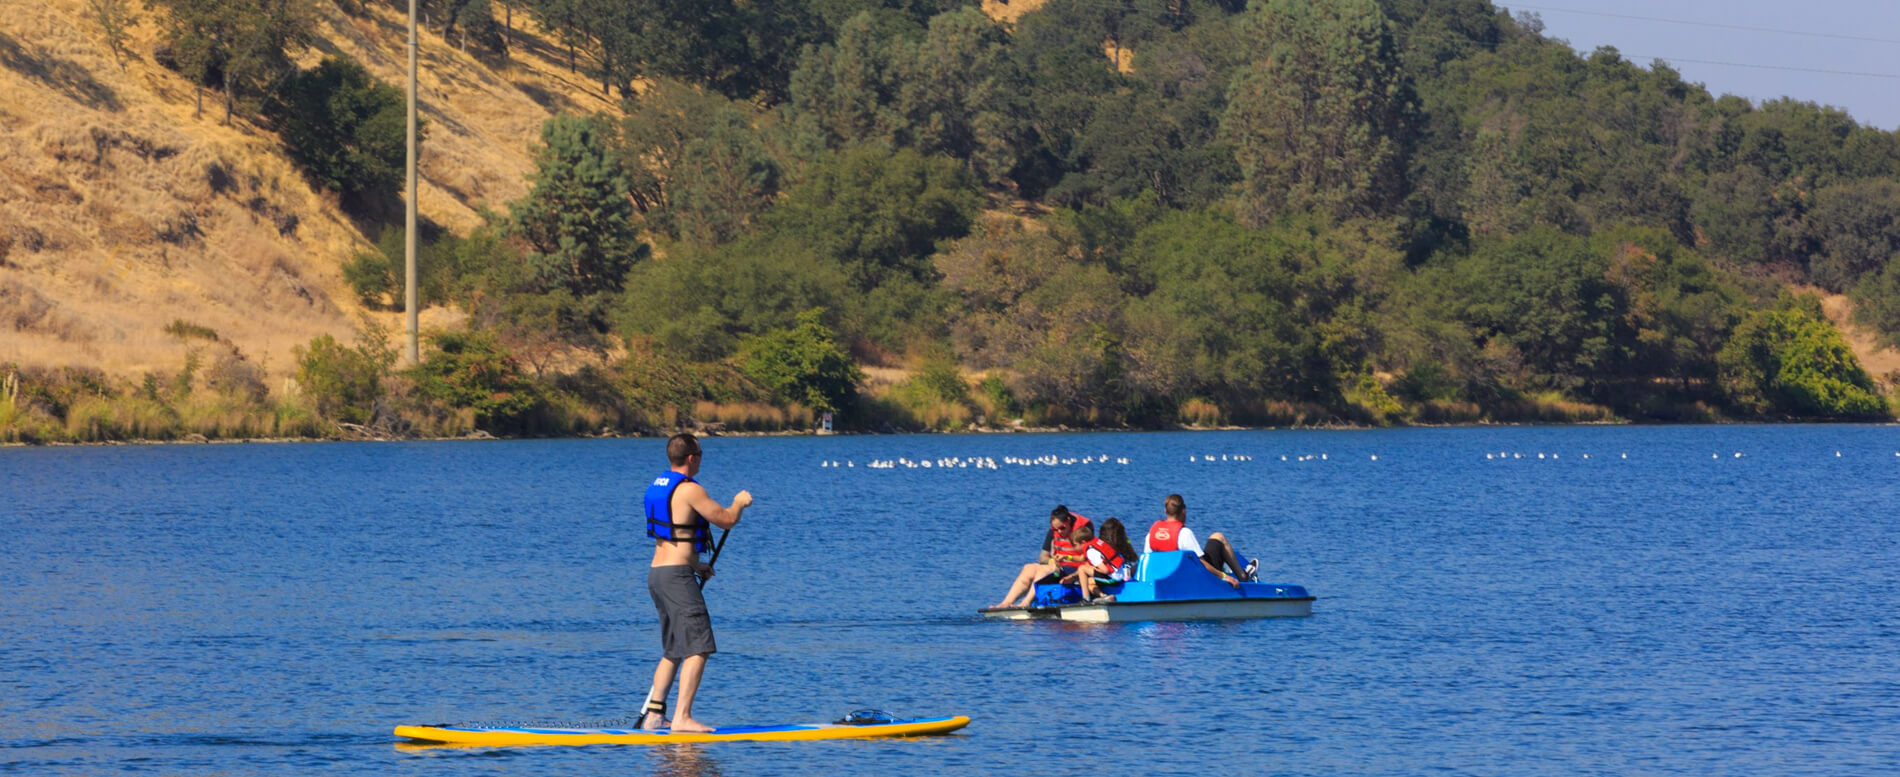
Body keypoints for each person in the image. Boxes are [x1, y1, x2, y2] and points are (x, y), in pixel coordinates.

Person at [639, 433, 751, 733]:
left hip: (658, 575)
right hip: (675, 578)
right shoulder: (688, 490)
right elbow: (725, 519)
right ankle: (682, 717)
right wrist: (739, 503)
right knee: (699, 646)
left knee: (673, 649)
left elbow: (675, 539)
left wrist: (697, 565)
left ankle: (654, 715)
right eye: (700, 453)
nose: (701, 458)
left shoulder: (659, 484)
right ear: (691, 458)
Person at [1144, 494, 1257, 589]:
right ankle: (1243, 576)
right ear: (1183, 511)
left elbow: (1147, 560)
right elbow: (1202, 564)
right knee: (1218, 536)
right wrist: (1224, 576)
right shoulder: (1184, 533)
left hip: (1164, 577)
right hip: (1193, 580)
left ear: (1165, 511)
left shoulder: (1151, 534)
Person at [989, 506, 1092, 609]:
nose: (1059, 531)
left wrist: (1066, 561)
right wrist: (1052, 561)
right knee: (1029, 568)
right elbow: (1043, 557)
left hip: (1075, 570)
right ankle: (1005, 603)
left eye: (1062, 528)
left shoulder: (1083, 527)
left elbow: (1088, 557)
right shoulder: (1055, 528)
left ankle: (1026, 602)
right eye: (1055, 529)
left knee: (1043, 570)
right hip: (1058, 567)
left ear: (1068, 521)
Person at [1070, 518, 1138, 602]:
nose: (1074, 548)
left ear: (1083, 542)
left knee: (1082, 570)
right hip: (1121, 574)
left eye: (1075, 545)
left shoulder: (1091, 551)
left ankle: (1085, 599)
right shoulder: (1098, 544)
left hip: (1113, 578)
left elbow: (1104, 570)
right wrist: (1067, 557)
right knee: (1087, 581)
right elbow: (1081, 558)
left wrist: (1093, 569)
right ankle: (1104, 596)